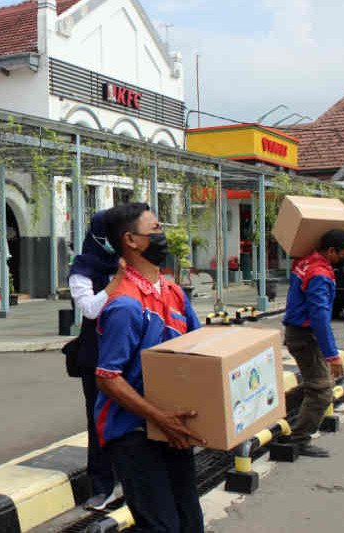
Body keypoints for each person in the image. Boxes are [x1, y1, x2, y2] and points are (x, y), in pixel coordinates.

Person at [96, 202, 205, 532]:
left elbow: (200, 349)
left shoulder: (172, 292)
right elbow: (107, 378)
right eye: (155, 229)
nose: (163, 235)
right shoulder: (126, 305)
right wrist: (160, 418)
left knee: (190, 522)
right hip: (133, 432)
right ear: (131, 240)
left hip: (170, 426)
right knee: (161, 526)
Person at [68, 209, 124, 511]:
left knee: (131, 420)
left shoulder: (129, 263)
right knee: (99, 421)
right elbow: (89, 309)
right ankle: (101, 485)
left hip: (128, 354)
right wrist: (117, 282)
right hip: (97, 357)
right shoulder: (83, 269)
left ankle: (128, 479)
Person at [279, 229, 344, 457]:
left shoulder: (305, 261)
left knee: (314, 383)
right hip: (305, 336)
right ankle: (298, 440)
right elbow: (319, 317)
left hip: (297, 333)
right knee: (321, 391)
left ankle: (290, 423)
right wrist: (332, 355)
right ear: (331, 251)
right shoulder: (319, 274)